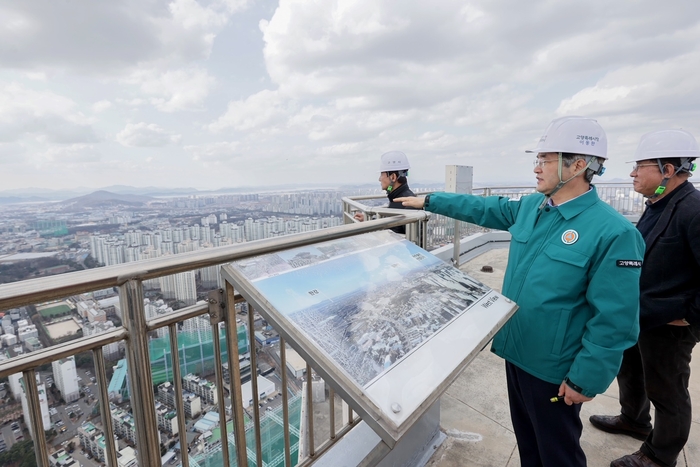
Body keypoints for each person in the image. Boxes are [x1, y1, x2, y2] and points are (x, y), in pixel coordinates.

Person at [396, 116, 645, 467]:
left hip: (555, 369)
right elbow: (483, 208)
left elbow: (615, 321)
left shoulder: (613, 233)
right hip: (518, 351)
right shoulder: (533, 208)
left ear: (578, 165)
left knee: (558, 453)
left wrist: (584, 380)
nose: (536, 168)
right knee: (529, 444)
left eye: (545, 159)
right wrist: (428, 201)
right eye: (538, 159)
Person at [589, 129, 700, 467]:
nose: (633, 173)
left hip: (670, 324)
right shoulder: (659, 204)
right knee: (633, 372)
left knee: (668, 391)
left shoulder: (693, 210)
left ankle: (659, 455)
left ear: (668, 170)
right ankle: (634, 420)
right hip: (640, 315)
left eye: (640, 166)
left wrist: (690, 316)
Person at [354, 150, 418, 234]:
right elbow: (392, 225)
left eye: (381, 174)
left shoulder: (407, 204)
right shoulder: (398, 199)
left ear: (393, 177)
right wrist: (368, 220)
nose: (379, 179)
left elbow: (411, 240)